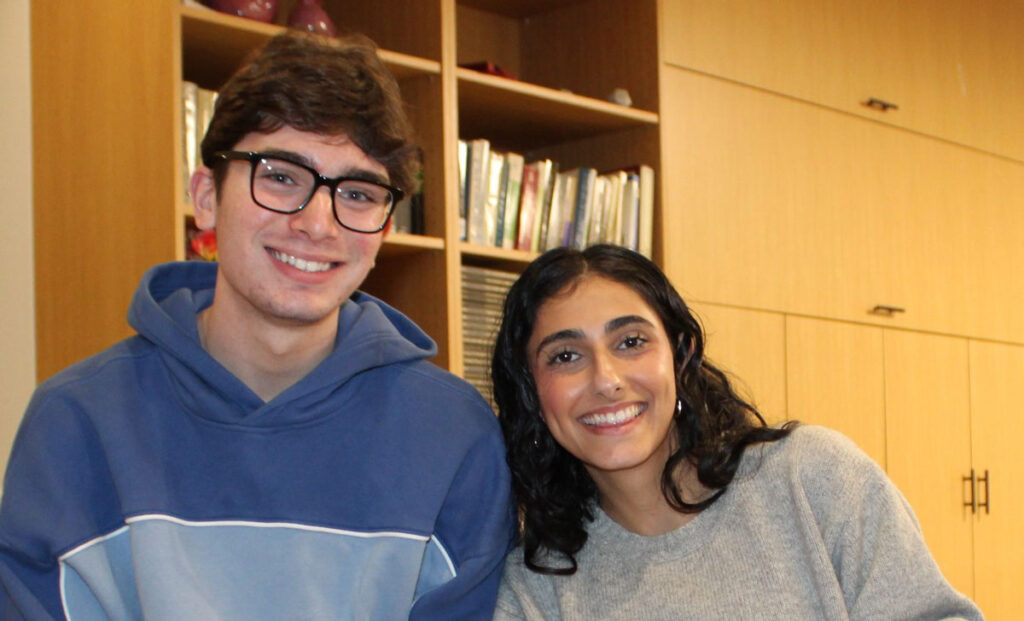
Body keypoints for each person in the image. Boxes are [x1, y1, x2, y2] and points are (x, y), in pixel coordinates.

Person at [0, 32, 513, 620]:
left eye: (357, 193)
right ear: (206, 197)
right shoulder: (75, 422)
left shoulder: (454, 434)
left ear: (384, 230)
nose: (318, 224)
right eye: (281, 177)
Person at [490, 244, 981, 620]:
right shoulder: (538, 587)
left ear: (681, 355)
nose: (606, 379)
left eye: (631, 342)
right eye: (565, 356)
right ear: (532, 392)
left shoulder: (813, 480)